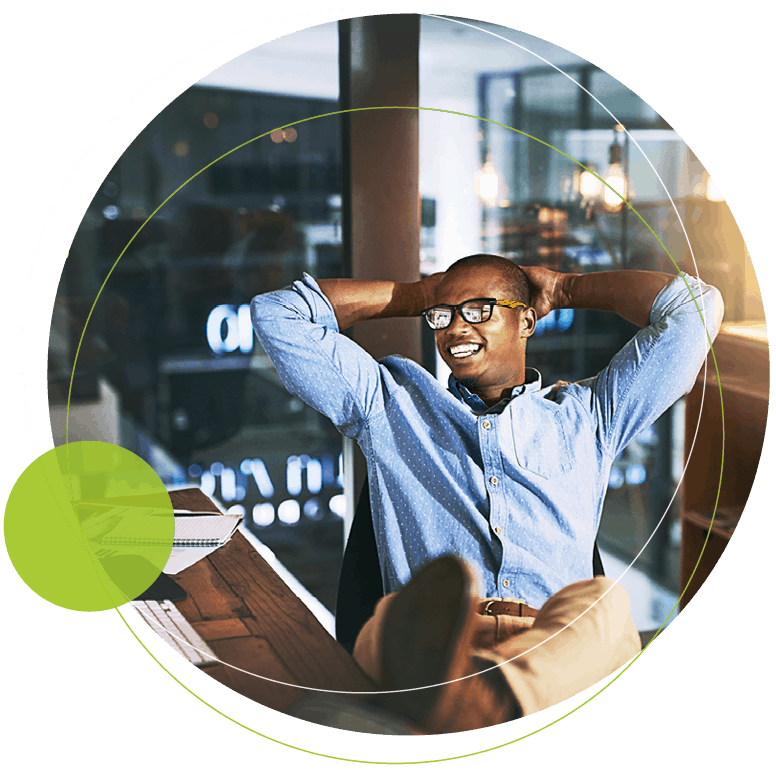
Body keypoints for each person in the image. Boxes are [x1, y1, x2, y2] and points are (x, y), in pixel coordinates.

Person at [251, 255, 724, 732]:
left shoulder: (590, 418)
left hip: (550, 644)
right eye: (443, 315)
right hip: (439, 640)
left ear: (526, 320)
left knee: (603, 605)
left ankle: (474, 702)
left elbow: (695, 309)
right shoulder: (390, 405)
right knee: (392, 616)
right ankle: (476, 702)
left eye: (478, 309)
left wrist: (566, 288)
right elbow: (277, 313)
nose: (455, 328)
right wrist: (415, 295)